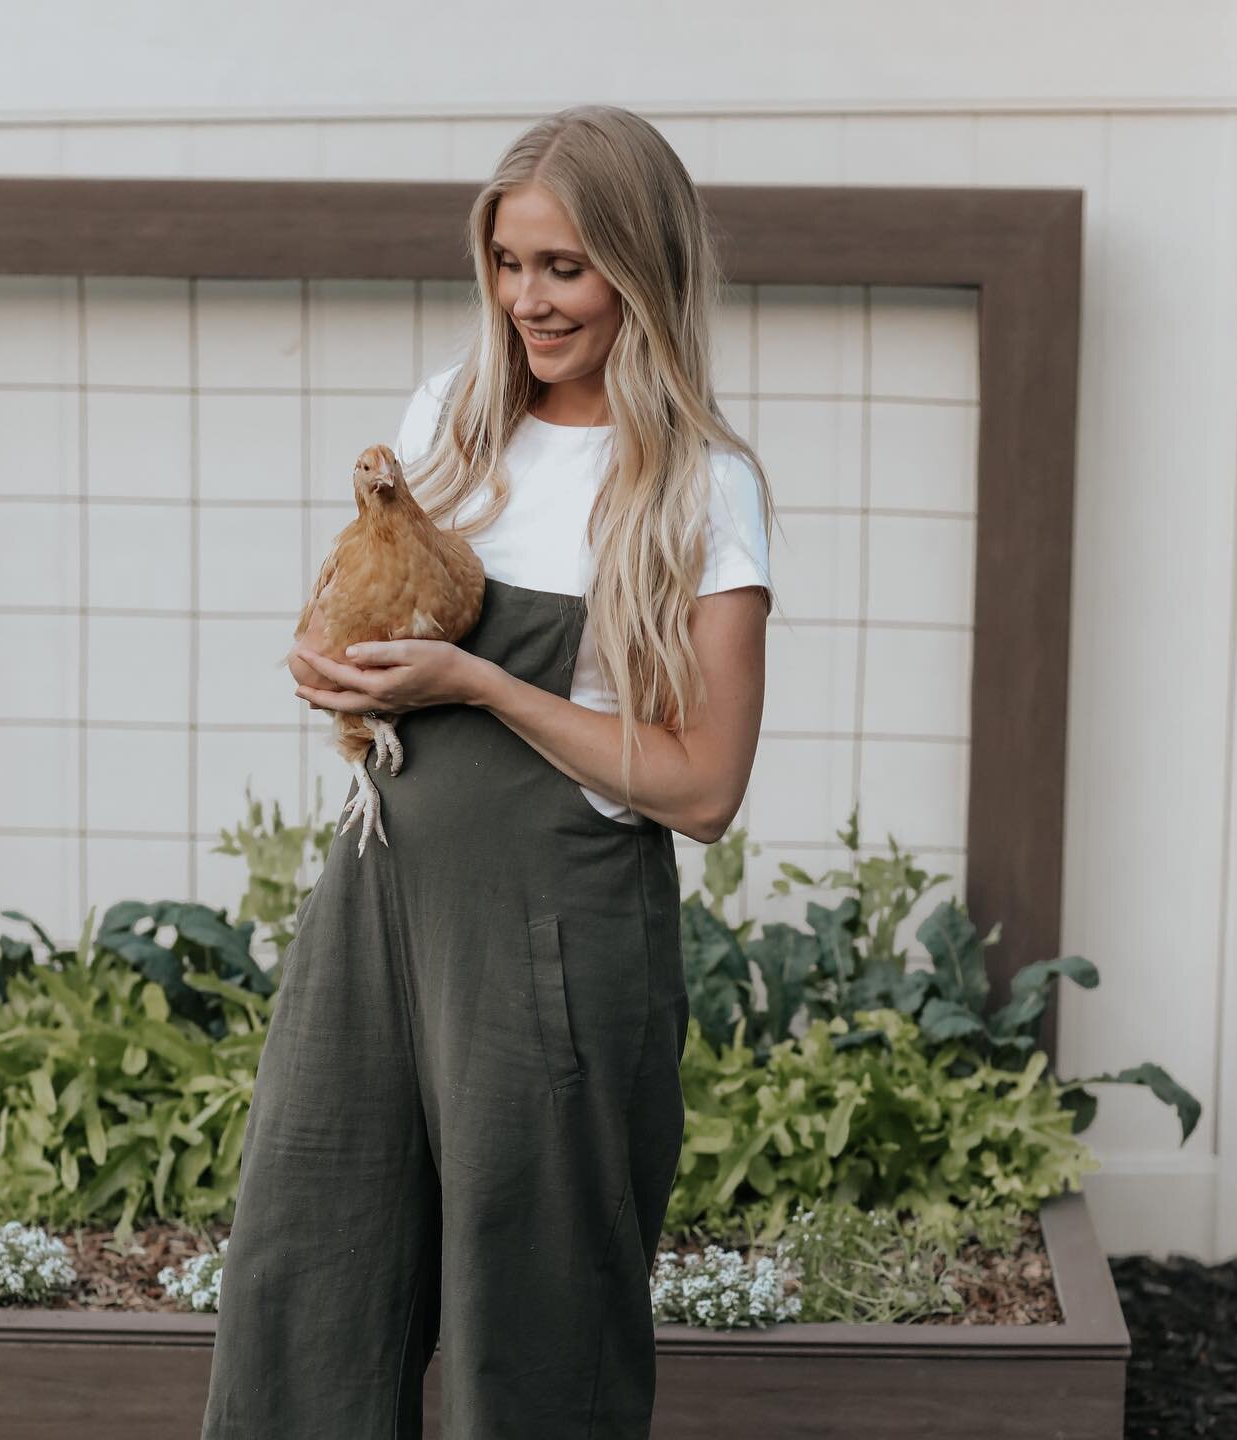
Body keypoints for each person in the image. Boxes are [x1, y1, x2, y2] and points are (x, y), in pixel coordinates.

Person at [200, 102, 776, 1440]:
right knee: (312, 1266)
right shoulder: (448, 425)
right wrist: (336, 660)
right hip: (381, 903)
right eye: (509, 263)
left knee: (537, 1312)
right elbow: (376, 605)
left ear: (642, 268)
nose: (529, 299)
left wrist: (474, 682)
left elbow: (703, 787)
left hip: (555, 935)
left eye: (564, 267)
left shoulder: (695, 486)